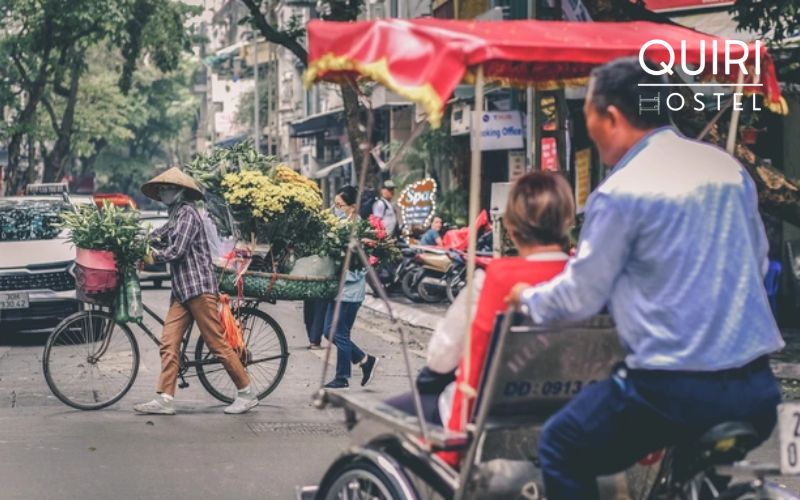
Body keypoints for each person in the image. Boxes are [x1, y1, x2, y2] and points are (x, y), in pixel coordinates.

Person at [505, 58, 784, 499]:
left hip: (671, 393)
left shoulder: (621, 192)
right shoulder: (727, 169)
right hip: (757, 389)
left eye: (588, 116)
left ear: (611, 117)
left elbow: (580, 296)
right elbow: (757, 258)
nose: (589, 128)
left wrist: (527, 299)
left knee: (560, 444)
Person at [387, 172, 573, 440]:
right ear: (567, 222)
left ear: (511, 228)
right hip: (564, 416)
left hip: (483, 418)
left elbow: (441, 358)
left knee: (383, 416)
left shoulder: (495, 280)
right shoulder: (586, 283)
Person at [134, 167, 258, 415]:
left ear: (178, 191)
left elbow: (177, 250)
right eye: (160, 190)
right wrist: (137, 241)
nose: (163, 192)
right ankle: (165, 398)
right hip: (182, 292)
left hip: (199, 289)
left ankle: (247, 392)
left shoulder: (189, 215)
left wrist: (151, 257)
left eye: (166, 189)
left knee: (216, 343)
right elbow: (161, 235)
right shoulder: (175, 215)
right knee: (169, 343)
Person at [323, 185, 379, 389]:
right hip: (338, 291)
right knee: (330, 332)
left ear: (353, 206)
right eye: (335, 204)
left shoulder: (360, 230)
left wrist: (340, 275)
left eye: (340, 205)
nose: (336, 208)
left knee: (338, 333)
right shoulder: (342, 226)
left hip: (350, 293)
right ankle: (365, 360)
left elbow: (361, 267)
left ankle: (343, 377)